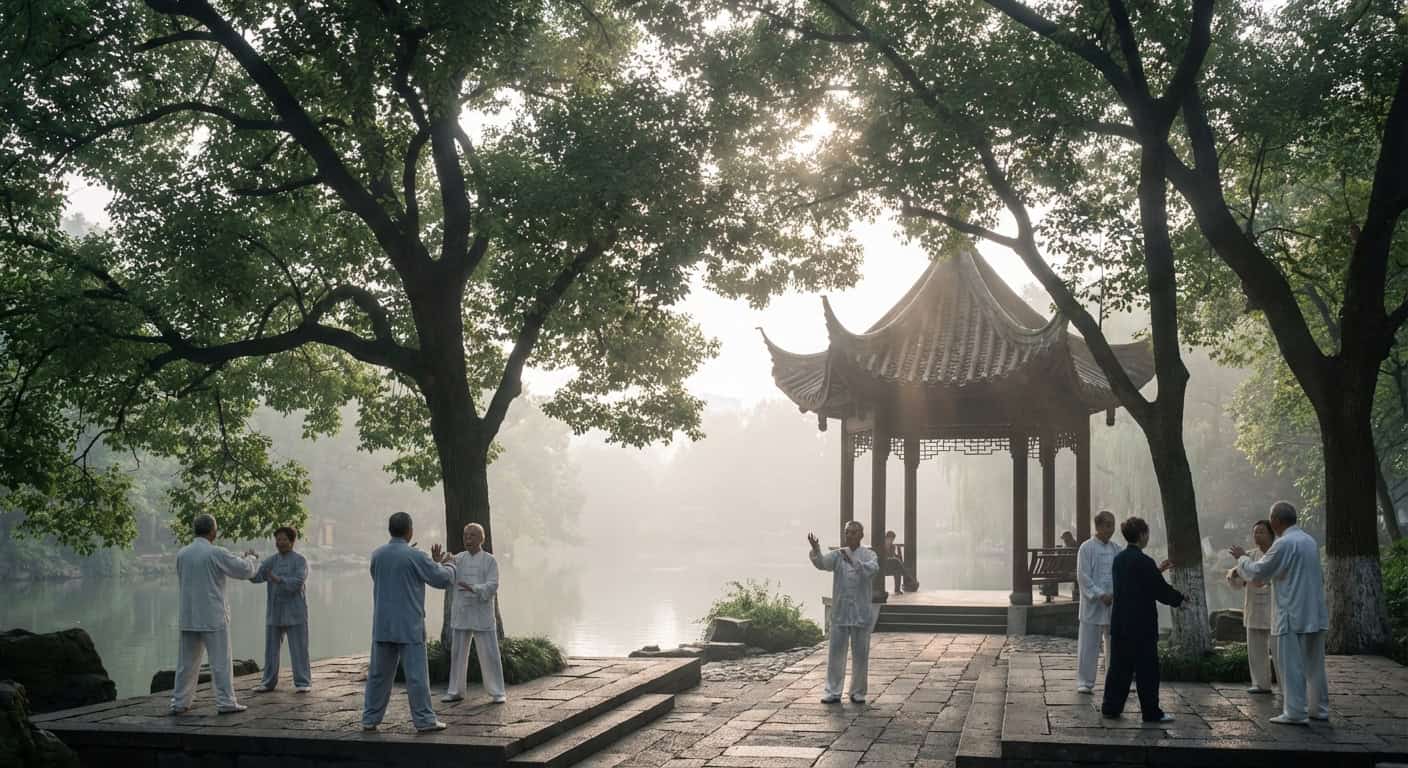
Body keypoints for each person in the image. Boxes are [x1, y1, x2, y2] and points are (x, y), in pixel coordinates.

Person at [1229, 501, 1329, 725]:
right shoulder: (1309, 541)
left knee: (1291, 664)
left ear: (1275, 521)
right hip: (1314, 612)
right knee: (1315, 665)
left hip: (1291, 614)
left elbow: (1259, 572)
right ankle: (1319, 709)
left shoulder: (1284, 543)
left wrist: (1243, 558)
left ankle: (1295, 712)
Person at [361, 512, 456, 733]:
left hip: (383, 624)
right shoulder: (415, 555)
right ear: (409, 530)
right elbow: (442, 579)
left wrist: (427, 563)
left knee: (378, 675)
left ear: (390, 530)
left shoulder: (378, 554)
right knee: (416, 677)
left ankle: (369, 718)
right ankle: (424, 720)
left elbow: (380, 577)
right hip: (409, 625)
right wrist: (449, 564)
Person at [170, 514, 260, 715]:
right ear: (213, 531)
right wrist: (250, 557)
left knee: (186, 664)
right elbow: (244, 570)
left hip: (189, 615)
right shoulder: (215, 552)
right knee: (220, 662)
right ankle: (226, 702)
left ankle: (179, 702)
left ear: (195, 530)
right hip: (213, 615)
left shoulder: (183, 554)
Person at [1100, 516, 1184, 723]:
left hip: (1121, 623)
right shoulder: (1144, 561)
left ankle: (1111, 707)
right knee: (1147, 670)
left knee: (1119, 668)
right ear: (1143, 535)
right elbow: (1158, 589)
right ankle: (1151, 712)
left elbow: (1135, 583)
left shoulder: (1119, 559)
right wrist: (1180, 599)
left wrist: (1156, 572)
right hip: (1142, 625)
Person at [808, 521, 879, 704]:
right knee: (836, 653)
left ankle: (858, 692)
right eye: (847, 533)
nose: (850, 536)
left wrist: (855, 562)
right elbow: (822, 563)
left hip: (861, 611)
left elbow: (872, 570)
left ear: (861, 535)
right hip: (841, 611)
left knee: (861, 655)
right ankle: (833, 691)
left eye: (854, 533)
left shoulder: (869, 554)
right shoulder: (838, 555)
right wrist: (816, 550)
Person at [438, 523, 506, 704]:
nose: (467, 539)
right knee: (457, 652)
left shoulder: (489, 560)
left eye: (472, 536)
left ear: (482, 539)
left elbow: (493, 585)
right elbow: (446, 571)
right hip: (462, 611)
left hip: (481, 611)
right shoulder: (458, 558)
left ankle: (497, 691)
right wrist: (438, 561)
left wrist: (474, 588)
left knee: (490, 652)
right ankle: (455, 691)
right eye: (465, 536)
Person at [251, 526, 311, 694]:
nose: (281, 543)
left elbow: (297, 582)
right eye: (278, 540)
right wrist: (250, 561)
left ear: (292, 541)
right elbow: (255, 577)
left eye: (284, 539)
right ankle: (268, 682)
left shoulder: (300, 561)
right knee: (271, 649)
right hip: (275, 611)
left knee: (299, 648)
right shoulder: (271, 561)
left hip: (295, 612)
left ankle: (302, 682)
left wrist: (278, 579)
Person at [1226, 520, 1278, 694]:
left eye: (1261, 532)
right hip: (1254, 607)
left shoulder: (1277, 553)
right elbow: (1237, 579)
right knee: (1255, 649)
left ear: (1271, 534)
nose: (1257, 535)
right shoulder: (1249, 555)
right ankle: (1261, 683)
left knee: (1279, 650)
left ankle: (1286, 685)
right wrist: (1233, 574)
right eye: (1255, 532)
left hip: (1274, 608)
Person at [1075, 511, 1120, 695]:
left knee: (1114, 643)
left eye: (1113, 525)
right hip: (1093, 604)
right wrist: (1100, 594)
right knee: (1088, 644)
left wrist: (1115, 594)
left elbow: (1124, 572)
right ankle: (1085, 681)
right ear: (1098, 526)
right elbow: (1083, 576)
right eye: (1108, 525)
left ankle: (1114, 678)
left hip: (1113, 603)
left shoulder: (1117, 548)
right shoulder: (1086, 548)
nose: (1111, 529)